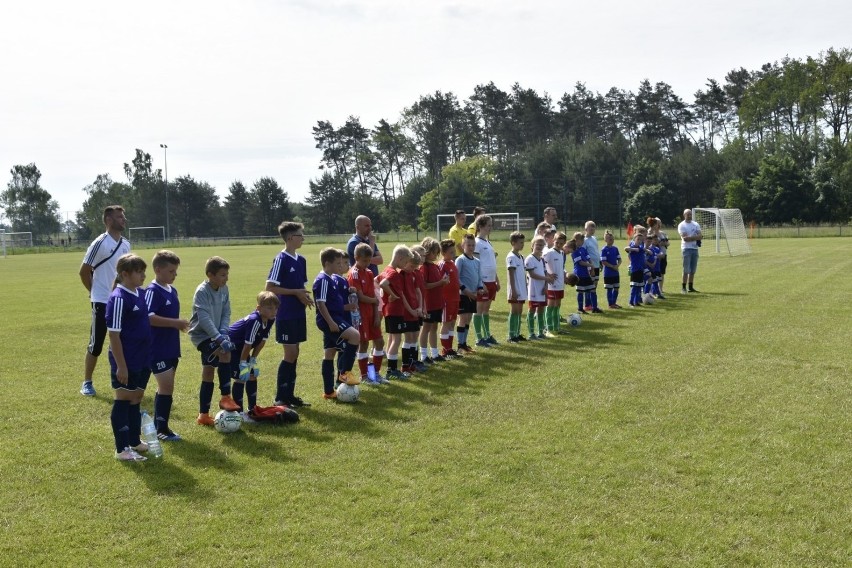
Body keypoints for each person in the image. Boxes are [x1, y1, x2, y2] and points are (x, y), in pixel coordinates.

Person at [79, 205, 131, 396]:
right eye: (119, 216)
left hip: (121, 301)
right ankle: (87, 382)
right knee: (96, 343)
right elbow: (84, 271)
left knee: (123, 340)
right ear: (108, 220)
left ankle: (122, 378)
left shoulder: (126, 244)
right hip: (101, 301)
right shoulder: (99, 243)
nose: (123, 219)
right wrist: (94, 292)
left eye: (123, 216)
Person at [106, 253, 151, 461]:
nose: (143, 276)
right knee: (123, 399)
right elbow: (114, 335)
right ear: (125, 274)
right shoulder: (118, 298)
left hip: (142, 358)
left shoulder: (139, 294)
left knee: (135, 399)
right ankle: (121, 448)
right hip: (126, 359)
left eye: (143, 271)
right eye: (139, 272)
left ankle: (134, 440)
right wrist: (121, 366)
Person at [266, 221, 314, 408]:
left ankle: (290, 395)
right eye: (300, 235)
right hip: (285, 314)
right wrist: (295, 293)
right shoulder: (281, 259)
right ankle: (280, 397)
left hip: (298, 313)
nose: (303, 238)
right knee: (290, 353)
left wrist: (304, 297)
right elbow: (270, 287)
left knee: (296, 353)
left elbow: (300, 286)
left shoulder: (301, 260)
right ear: (290, 238)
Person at [189, 256, 240, 426]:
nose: (226, 278)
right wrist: (218, 338)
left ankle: (203, 415)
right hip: (202, 336)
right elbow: (203, 318)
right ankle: (226, 397)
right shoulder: (202, 291)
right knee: (224, 353)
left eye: (227, 274)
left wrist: (224, 332)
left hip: (217, 333)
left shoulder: (224, 289)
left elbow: (226, 311)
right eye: (222, 275)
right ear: (210, 275)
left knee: (208, 371)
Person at [144, 250, 190, 441]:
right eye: (171, 271)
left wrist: (180, 325)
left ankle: (159, 426)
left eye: (175, 271)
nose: (175, 274)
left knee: (166, 388)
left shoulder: (173, 290)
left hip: (171, 346)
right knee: (167, 386)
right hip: (157, 348)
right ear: (158, 270)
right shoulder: (152, 291)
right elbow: (148, 318)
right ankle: (162, 429)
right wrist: (175, 323)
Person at [225, 291, 280, 419]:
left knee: (252, 376)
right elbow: (247, 344)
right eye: (270, 308)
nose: (274, 311)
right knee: (241, 377)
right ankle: (239, 413)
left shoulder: (271, 319)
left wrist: (253, 360)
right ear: (259, 308)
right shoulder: (255, 320)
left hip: (242, 350)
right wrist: (244, 363)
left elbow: (262, 341)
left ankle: (252, 409)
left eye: (276, 308)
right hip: (232, 348)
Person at [314, 248, 361, 399]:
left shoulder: (329, 278)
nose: (340, 265)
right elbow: (321, 304)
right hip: (332, 319)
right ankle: (344, 373)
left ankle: (329, 391)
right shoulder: (322, 279)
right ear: (327, 263)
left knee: (329, 353)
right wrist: (331, 322)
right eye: (338, 263)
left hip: (334, 318)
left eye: (342, 262)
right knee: (355, 336)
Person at [348, 242, 387, 384]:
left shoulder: (369, 272)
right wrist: (374, 302)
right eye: (364, 261)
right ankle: (365, 376)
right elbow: (360, 297)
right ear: (356, 257)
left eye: (369, 260)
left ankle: (375, 374)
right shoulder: (354, 274)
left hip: (372, 312)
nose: (367, 263)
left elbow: (373, 297)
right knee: (363, 344)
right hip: (360, 314)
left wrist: (377, 314)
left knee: (379, 341)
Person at [377, 244, 414, 380]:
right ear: (399, 258)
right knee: (397, 339)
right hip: (395, 310)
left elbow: (376, 280)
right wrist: (391, 294)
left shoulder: (386, 269)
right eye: (404, 262)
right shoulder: (393, 273)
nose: (405, 265)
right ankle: (392, 369)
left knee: (393, 338)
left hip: (389, 310)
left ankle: (391, 368)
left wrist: (383, 297)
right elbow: (382, 284)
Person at [418, 237, 448, 364]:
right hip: (429, 303)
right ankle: (424, 355)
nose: (436, 254)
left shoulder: (435, 266)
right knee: (426, 328)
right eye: (434, 251)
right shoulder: (424, 267)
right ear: (427, 251)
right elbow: (424, 285)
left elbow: (436, 283)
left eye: (437, 252)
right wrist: (440, 282)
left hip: (437, 302)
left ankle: (434, 353)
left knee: (434, 327)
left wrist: (444, 282)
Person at [473, 215, 500, 347]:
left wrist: (497, 280)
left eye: (491, 225)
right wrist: (480, 282)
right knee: (479, 308)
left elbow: (492, 262)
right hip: (482, 281)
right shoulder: (477, 243)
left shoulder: (488, 242)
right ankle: (479, 338)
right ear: (481, 226)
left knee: (486, 309)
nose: (491, 228)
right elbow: (476, 264)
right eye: (488, 225)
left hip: (491, 280)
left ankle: (487, 335)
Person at [455, 234, 483, 353]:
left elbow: (479, 277)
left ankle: (464, 344)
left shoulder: (477, 261)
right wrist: (465, 290)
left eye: (473, 245)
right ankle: (460, 345)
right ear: (463, 245)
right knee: (463, 317)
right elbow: (456, 277)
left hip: (473, 294)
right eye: (468, 245)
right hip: (463, 294)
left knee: (468, 318)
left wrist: (480, 288)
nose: (471, 247)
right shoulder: (460, 259)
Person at [403, 247, 427, 372]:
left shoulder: (415, 273)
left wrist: (421, 307)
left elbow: (419, 292)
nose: (413, 268)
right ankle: (406, 364)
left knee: (414, 336)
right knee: (409, 337)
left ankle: (413, 361)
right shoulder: (402, 274)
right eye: (411, 265)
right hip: (408, 311)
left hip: (416, 309)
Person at [437, 239, 462, 358]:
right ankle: (445, 350)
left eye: (454, 252)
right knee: (446, 323)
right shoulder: (441, 265)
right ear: (443, 253)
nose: (453, 254)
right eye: (451, 252)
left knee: (452, 323)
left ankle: (450, 348)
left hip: (455, 298)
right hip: (446, 299)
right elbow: (439, 282)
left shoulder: (453, 263)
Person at [525, 236, 552, 340]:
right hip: (533, 289)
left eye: (542, 245)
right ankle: (531, 333)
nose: (540, 247)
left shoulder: (542, 260)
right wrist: (546, 278)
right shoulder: (529, 259)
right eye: (538, 245)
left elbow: (545, 273)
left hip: (542, 289)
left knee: (541, 310)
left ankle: (540, 332)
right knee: (532, 310)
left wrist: (546, 286)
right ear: (532, 246)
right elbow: (532, 274)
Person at [543, 230, 567, 336]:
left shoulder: (561, 253)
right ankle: (548, 329)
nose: (559, 245)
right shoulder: (549, 253)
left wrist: (565, 275)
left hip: (560, 284)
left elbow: (560, 268)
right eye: (557, 242)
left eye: (561, 243)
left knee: (558, 305)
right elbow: (540, 263)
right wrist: (547, 275)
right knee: (551, 305)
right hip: (551, 284)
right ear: (553, 240)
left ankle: (557, 328)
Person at [505, 232, 527, 342]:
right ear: (513, 243)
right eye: (520, 243)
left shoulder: (521, 257)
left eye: (523, 242)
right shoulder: (511, 257)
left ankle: (517, 334)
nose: (522, 245)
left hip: (521, 289)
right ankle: (511, 335)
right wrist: (513, 290)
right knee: (514, 311)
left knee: (519, 311)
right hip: (514, 289)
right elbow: (511, 274)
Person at [569, 232, 599, 314]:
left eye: (582, 240)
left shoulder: (583, 249)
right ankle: (580, 309)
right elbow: (581, 262)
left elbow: (589, 258)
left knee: (592, 289)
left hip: (586, 274)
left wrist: (591, 266)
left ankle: (595, 308)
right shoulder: (574, 252)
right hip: (579, 274)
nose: (582, 241)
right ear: (575, 241)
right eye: (580, 240)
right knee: (581, 291)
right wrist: (590, 265)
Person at [678, 209, 702, 293]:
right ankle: (683, 287)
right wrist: (695, 237)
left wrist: (691, 238)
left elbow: (700, 236)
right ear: (684, 215)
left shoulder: (695, 224)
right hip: (686, 249)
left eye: (690, 214)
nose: (689, 215)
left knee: (693, 270)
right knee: (686, 270)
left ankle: (690, 287)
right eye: (687, 214)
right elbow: (685, 238)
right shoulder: (681, 225)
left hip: (695, 248)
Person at [582, 220, 602, 312]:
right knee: (590, 286)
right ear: (586, 228)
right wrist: (589, 266)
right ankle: (588, 305)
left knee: (595, 284)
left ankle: (592, 304)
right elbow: (584, 253)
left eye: (594, 227)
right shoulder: (584, 240)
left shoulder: (594, 238)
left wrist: (600, 261)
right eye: (590, 227)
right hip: (590, 267)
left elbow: (596, 251)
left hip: (597, 265)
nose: (592, 228)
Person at [625, 226, 647, 307]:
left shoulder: (641, 248)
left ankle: (636, 301)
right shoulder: (633, 247)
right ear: (634, 240)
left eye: (641, 240)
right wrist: (633, 249)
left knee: (639, 287)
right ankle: (631, 302)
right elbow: (626, 249)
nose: (640, 241)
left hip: (640, 269)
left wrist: (648, 250)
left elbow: (644, 250)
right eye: (638, 239)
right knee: (634, 287)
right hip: (635, 270)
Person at [599, 230, 622, 309]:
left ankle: (614, 303)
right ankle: (610, 304)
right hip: (608, 273)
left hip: (615, 272)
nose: (612, 241)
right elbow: (603, 262)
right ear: (605, 240)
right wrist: (613, 266)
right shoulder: (604, 250)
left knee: (616, 287)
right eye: (610, 239)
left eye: (612, 239)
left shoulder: (615, 249)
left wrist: (617, 265)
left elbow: (620, 259)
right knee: (609, 288)